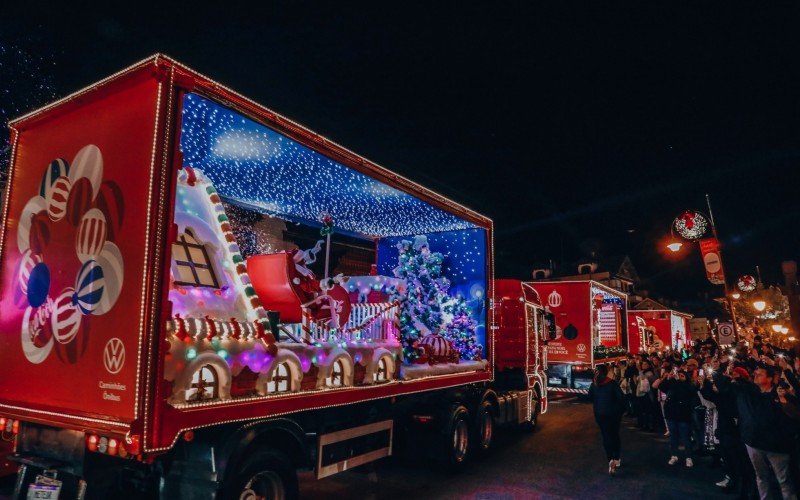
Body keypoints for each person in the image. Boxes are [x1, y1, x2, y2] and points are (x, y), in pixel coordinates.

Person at [722, 364, 797, 499]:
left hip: (776, 446)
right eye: (755, 373)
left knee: (783, 480)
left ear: (770, 378)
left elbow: (793, 415)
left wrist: (784, 399)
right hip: (754, 443)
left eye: (760, 374)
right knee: (761, 477)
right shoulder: (751, 392)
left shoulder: (779, 393)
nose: (756, 375)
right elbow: (728, 387)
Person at [653, 368, 700, 467]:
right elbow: (660, 386)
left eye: (682, 376)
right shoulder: (672, 384)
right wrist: (668, 378)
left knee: (686, 437)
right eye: (678, 375)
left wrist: (680, 381)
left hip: (684, 415)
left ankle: (689, 457)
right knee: (673, 437)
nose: (679, 377)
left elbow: (689, 392)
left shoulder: (689, 386)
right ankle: (674, 455)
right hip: (671, 414)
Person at [588, 364, 626, 475]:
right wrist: (621, 410)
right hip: (613, 415)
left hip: (600, 414)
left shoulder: (594, 384)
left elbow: (590, 397)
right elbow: (621, 398)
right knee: (615, 435)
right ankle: (617, 458)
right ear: (607, 372)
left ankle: (610, 459)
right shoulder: (612, 383)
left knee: (606, 436)